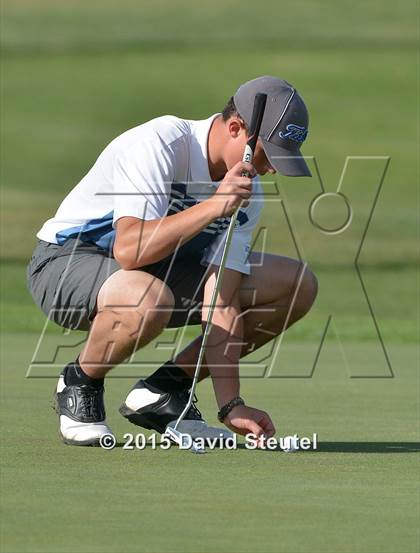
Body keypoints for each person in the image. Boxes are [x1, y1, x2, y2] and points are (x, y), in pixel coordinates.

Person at [27, 76, 318, 446]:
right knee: (147, 298)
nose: (272, 169)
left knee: (295, 285)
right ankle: (81, 381)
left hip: (151, 276)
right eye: (268, 154)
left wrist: (231, 404)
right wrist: (214, 206)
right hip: (67, 262)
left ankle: (165, 390)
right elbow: (129, 250)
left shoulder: (247, 195)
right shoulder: (162, 143)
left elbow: (222, 303)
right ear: (235, 129)